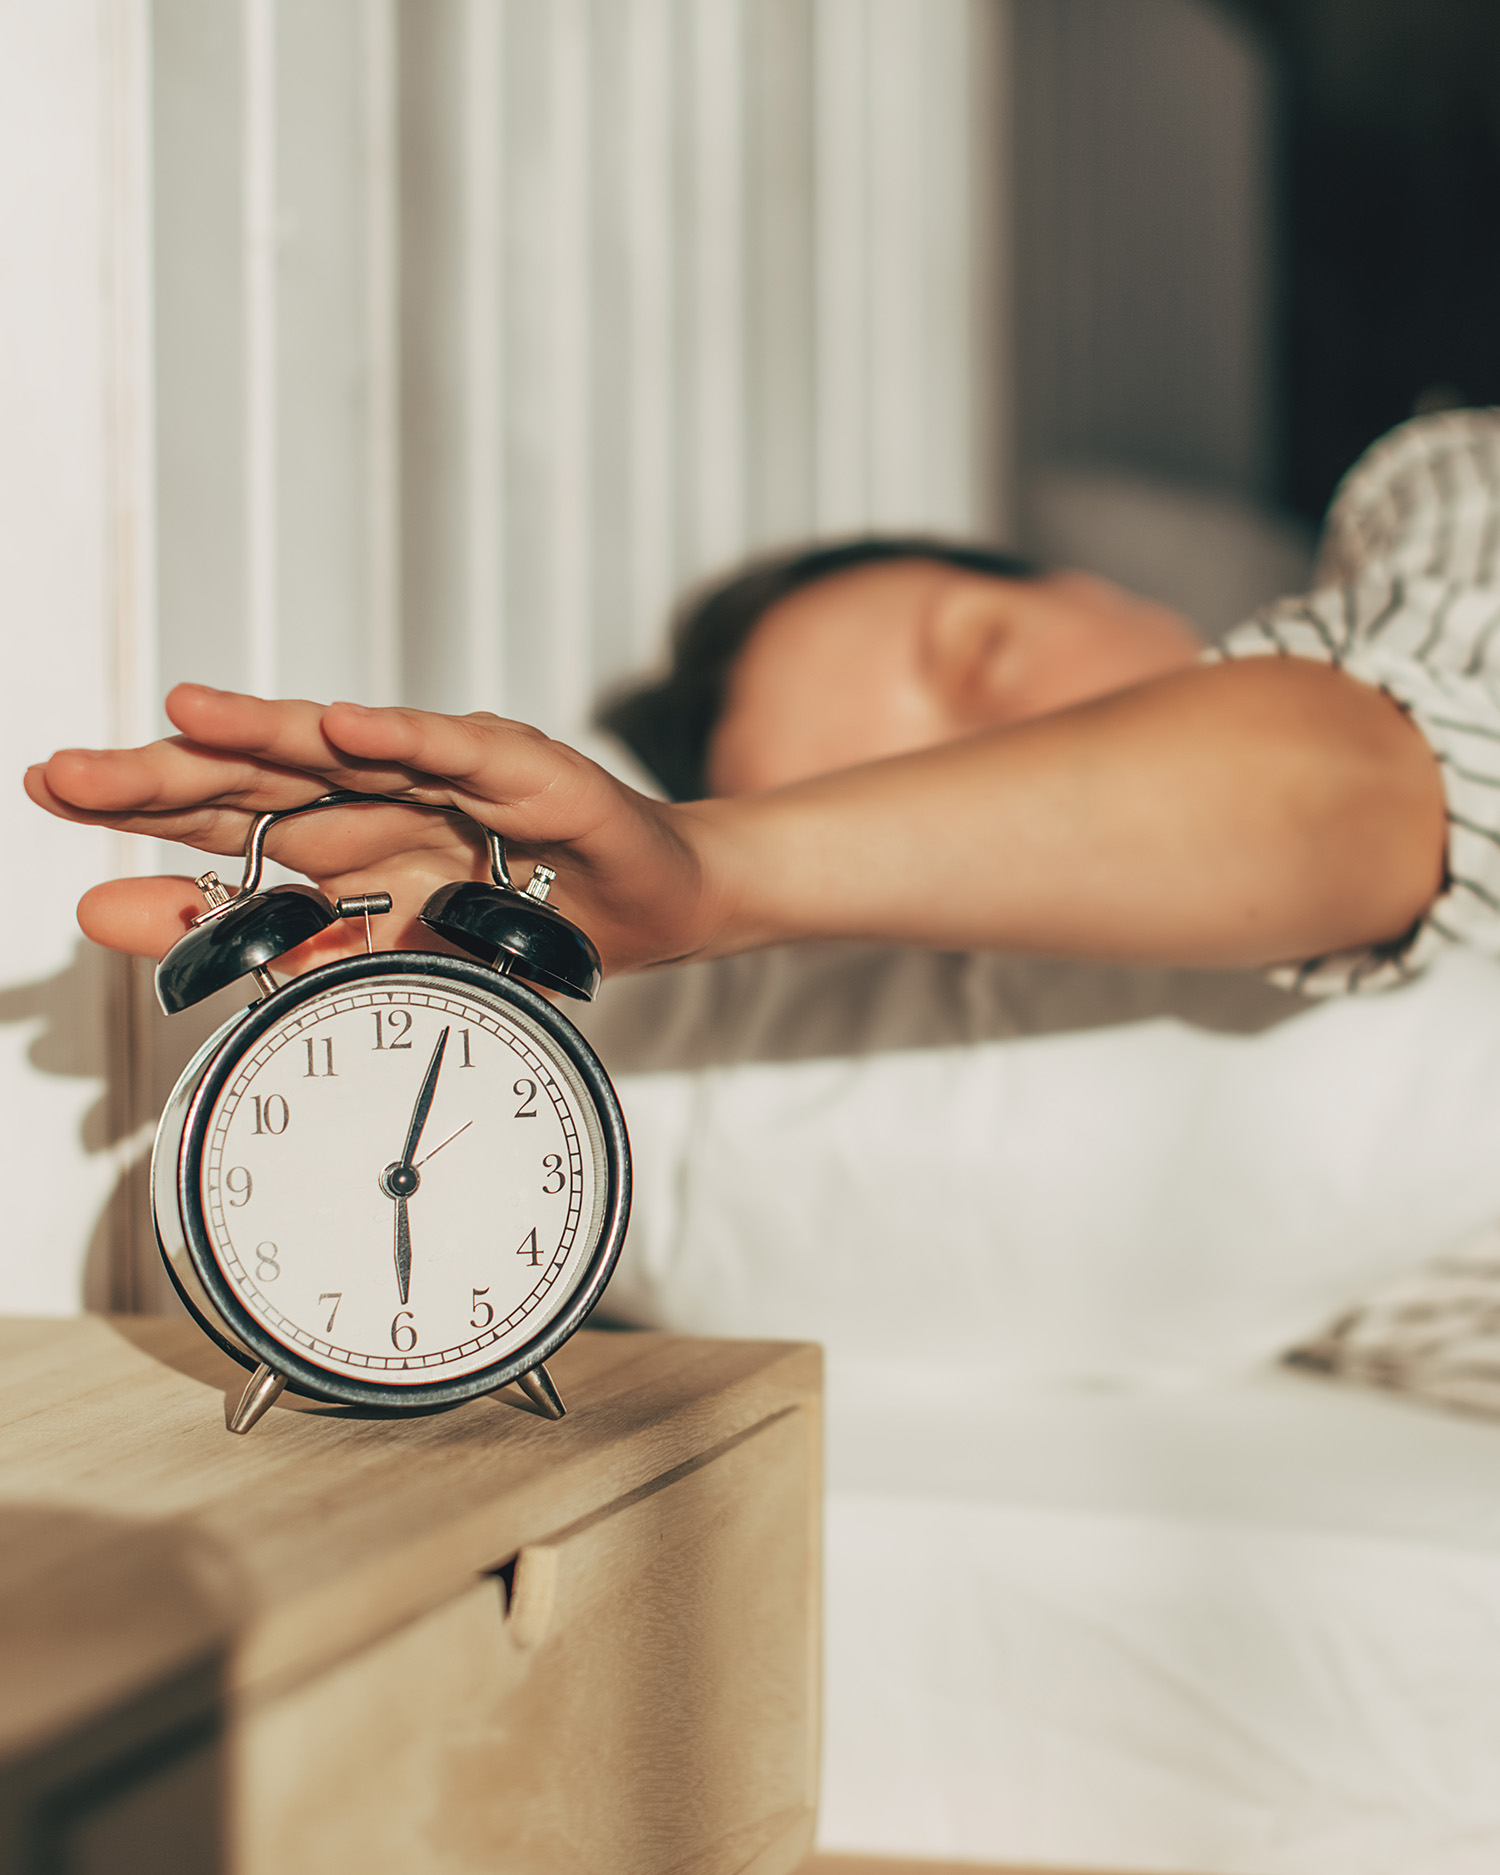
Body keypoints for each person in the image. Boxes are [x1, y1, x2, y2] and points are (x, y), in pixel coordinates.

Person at [29, 410, 1500, 999]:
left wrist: (719, 875)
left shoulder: (1437, 501)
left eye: (984, 656)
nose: (993, 787)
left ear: (1078, 581)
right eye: (903, 787)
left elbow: (1396, 773)